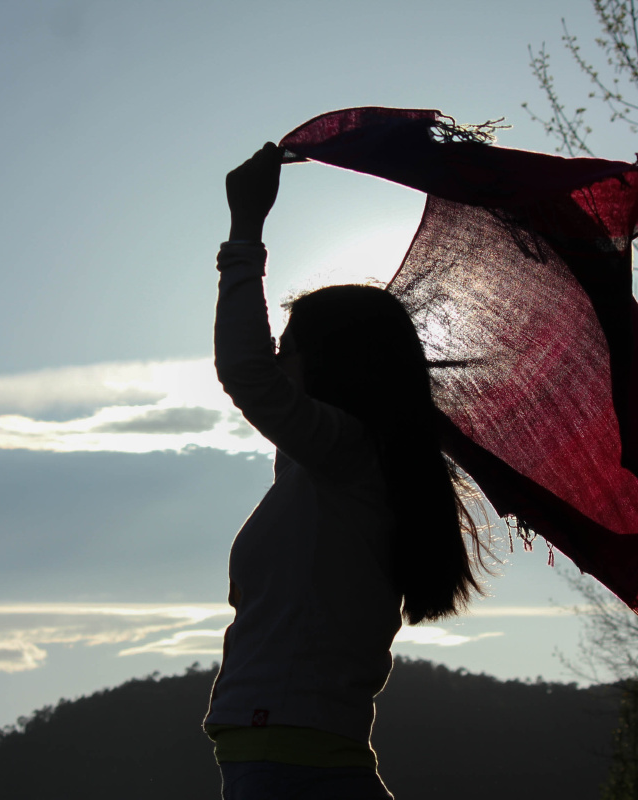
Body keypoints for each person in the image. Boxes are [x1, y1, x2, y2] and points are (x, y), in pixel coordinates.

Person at [204, 142, 491, 800]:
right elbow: (262, 382)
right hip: (298, 754)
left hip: (285, 759)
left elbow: (248, 374)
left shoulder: (350, 454)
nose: (276, 360)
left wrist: (245, 229)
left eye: (287, 349)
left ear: (332, 366)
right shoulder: (345, 464)